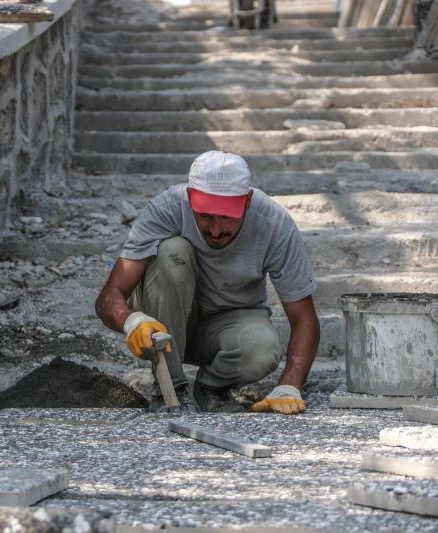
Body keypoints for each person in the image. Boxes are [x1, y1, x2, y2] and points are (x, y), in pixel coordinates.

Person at [95, 150, 320, 415]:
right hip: (165, 325)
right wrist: (132, 321)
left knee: (261, 348)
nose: (215, 230)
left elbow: (304, 319)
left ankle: (210, 389)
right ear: (190, 198)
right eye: (205, 216)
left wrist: (289, 386)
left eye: (226, 217)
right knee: (171, 252)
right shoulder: (167, 207)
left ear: (247, 201)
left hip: (226, 328)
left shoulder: (274, 224)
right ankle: (170, 389)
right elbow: (109, 296)